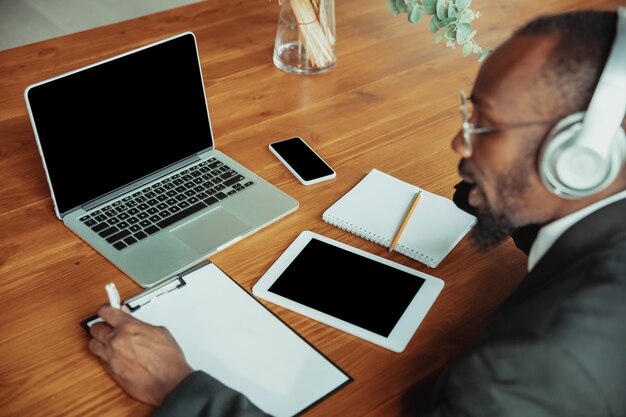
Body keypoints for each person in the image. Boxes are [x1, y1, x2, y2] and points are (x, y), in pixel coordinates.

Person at [88, 8, 626, 417]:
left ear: (579, 160)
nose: (459, 144)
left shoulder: (532, 367)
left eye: (484, 126)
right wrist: (495, 196)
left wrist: (182, 390)